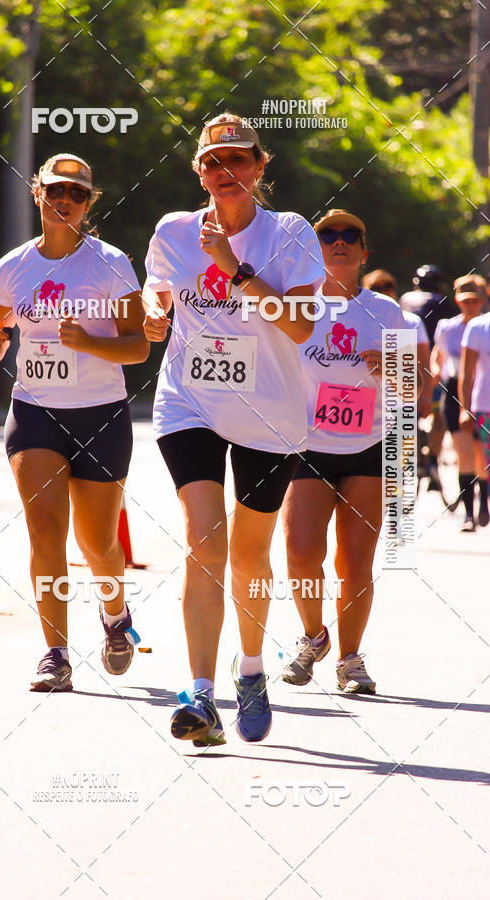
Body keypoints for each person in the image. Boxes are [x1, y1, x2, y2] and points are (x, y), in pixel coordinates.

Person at [143, 113, 324, 745]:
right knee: (204, 538)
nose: (225, 172)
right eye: (213, 162)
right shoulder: (172, 231)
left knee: (249, 556)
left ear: (259, 166)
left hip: (271, 414)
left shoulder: (291, 233)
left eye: (238, 160)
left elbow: (301, 327)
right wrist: (151, 315)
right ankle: (198, 690)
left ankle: (249, 670)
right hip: (189, 402)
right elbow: (156, 295)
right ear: (198, 170)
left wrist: (235, 268)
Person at [0, 153, 148, 691]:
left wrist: (91, 343)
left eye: (77, 193)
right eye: (55, 191)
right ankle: (55, 654)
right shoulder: (13, 266)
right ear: (38, 195)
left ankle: (114, 614)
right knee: (45, 533)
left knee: (97, 544)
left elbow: (140, 345)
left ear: (90, 202)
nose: (65, 200)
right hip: (35, 413)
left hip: (101, 414)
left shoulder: (111, 262)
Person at [281, 209, 415, 695]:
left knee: (354, 562)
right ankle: (313, 636)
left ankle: (350, 660)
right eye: (327, 235)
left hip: (367, 447)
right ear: (313, 250)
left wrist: (391, 367)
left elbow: (413, 387)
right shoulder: (298, 306)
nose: (338, 241)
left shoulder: (387, 311)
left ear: (364, 251)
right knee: (299, 553)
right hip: (306, 445)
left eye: (349, 236)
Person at [431, 276, 488, 531]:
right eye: (466, 301)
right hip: (455, 391)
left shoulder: (483, 326)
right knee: (463, 452)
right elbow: (438, 357)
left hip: (483, 390)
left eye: (475, 300)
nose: (471, 305)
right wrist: (433, 375)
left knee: (481, 455)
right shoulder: (447, 327)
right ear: (457, 301)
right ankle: (468, 514)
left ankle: (483, 504)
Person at [401, 264, 457, 486]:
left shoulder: (404, 299)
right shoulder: (440, 302)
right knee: (440, 415)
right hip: (430, 366)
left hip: (403, 365)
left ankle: (407, 457)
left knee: (407, 413)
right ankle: (433, 458)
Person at [363, 269, 432, 417]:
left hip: (400, 407)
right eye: (376, 288)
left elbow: (424, 363)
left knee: (405, 441)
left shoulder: (408, 321)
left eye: (387, 287)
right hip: (364, 405)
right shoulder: (357, 321)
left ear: (395, 291)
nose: (383, 292)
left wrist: (426, 396)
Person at [458, 286, 490, 528]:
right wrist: (464, 408)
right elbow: (466, 373)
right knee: (483, 459)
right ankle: (482, 500)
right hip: (484, 404)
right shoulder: (478, 327)